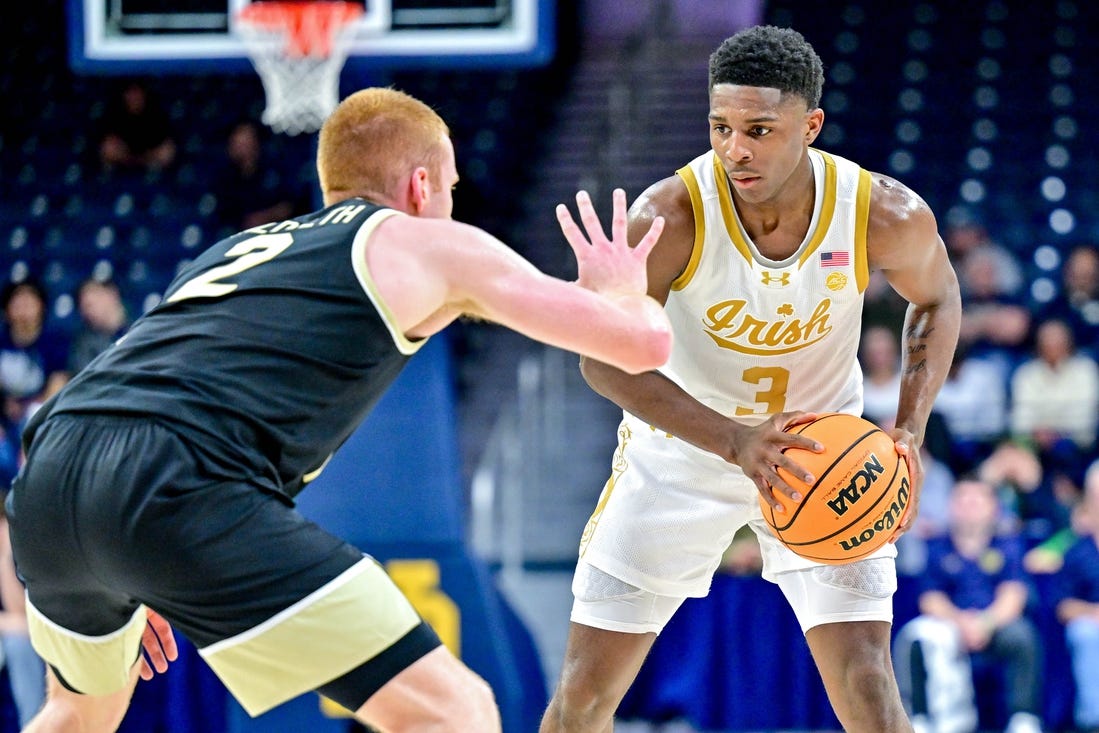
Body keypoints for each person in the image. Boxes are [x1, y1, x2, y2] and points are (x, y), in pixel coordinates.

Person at [6, 86, 674, 733]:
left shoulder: (235, 252)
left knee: (75, 717)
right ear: (420, 186)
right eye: (449, 189)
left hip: (53, 475)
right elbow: (641, 344)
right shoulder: (424, 243)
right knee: (453, 712)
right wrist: (621, 289)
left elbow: (155, 382)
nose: (449, 205)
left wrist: (128, 556)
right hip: (178, 481)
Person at [540, 25, 961, 733]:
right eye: (721, 127)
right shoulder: (669, 216)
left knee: (866, 680)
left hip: (821, 458)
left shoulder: (879, 211)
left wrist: (909, 430)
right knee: (584, 694)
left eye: (759, 129)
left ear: (810, 125)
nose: (735, 148)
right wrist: (735, 442)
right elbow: (599, 359)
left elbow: (937, 296)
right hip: (682, 456)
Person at [893, 478, 1043, 733]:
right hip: (949, 625)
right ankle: (918, 718)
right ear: (951, 506)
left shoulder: (1007, 544)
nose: (969, 506)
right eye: (962, 499)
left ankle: (1023, 717)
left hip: (994, 625)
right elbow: (930, 598)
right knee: (912, 638)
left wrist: (985, 623)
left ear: (994, 507)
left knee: (1022, 635)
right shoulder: (937, 546)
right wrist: (961, 623)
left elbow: (1013, 594)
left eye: (977, 500)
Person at [1053, 459, 1099, 733]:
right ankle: (1094, 721)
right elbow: (1063, 606)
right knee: (1085, 633)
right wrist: (1094, 614)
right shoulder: (1076, 552)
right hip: (1092, 626)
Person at [212, 119, 304, 232]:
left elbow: (290, 205)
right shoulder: (226, 180)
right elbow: (225, 216)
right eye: (238, 143)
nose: (242, 147)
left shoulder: (276, 169)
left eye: (246, 141)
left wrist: (265, 217)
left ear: (256, 141)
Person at [96, 80, 177, 174]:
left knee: (167, 150)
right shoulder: (116, 112)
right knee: (108, 147)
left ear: (143, 95)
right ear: (125, 96)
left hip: (148, 154)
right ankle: (112, 175)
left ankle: (153, 173)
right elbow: (110, 137)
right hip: (125, 154)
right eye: (130, 95)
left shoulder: (155, 112)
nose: (134, 98)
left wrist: (147, 154)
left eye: (137, 94)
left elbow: (161, 138)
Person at [67, 277, 130, 375]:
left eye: (96, 295)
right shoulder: (83, 345)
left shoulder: (143, 327)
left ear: (113, 293)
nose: (89, 308)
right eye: (85, 305)